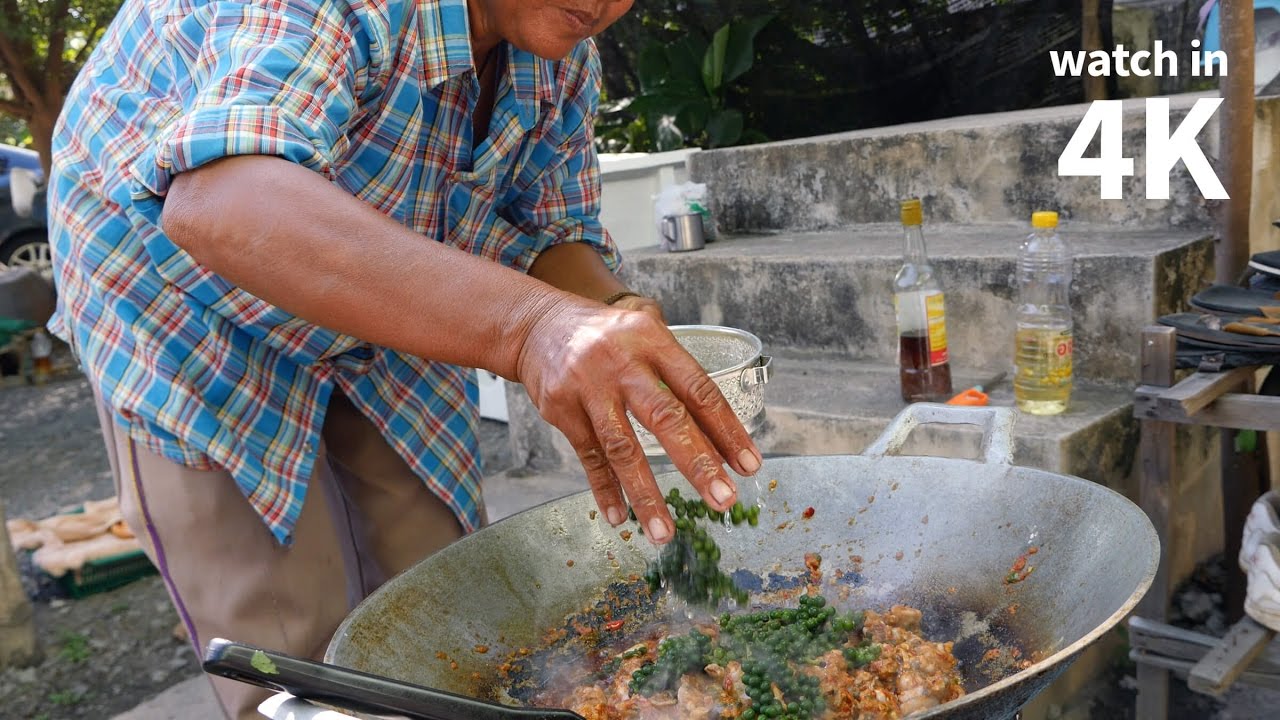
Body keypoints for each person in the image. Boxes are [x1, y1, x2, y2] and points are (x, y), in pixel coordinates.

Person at [46, 0, 764, 716]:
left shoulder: (563, 57)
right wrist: (531, 328)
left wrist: (615, 319)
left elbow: (549, 230)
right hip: (182, 303)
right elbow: (222, 202)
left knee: (449, 601)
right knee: (291, 640)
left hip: (384, 274)